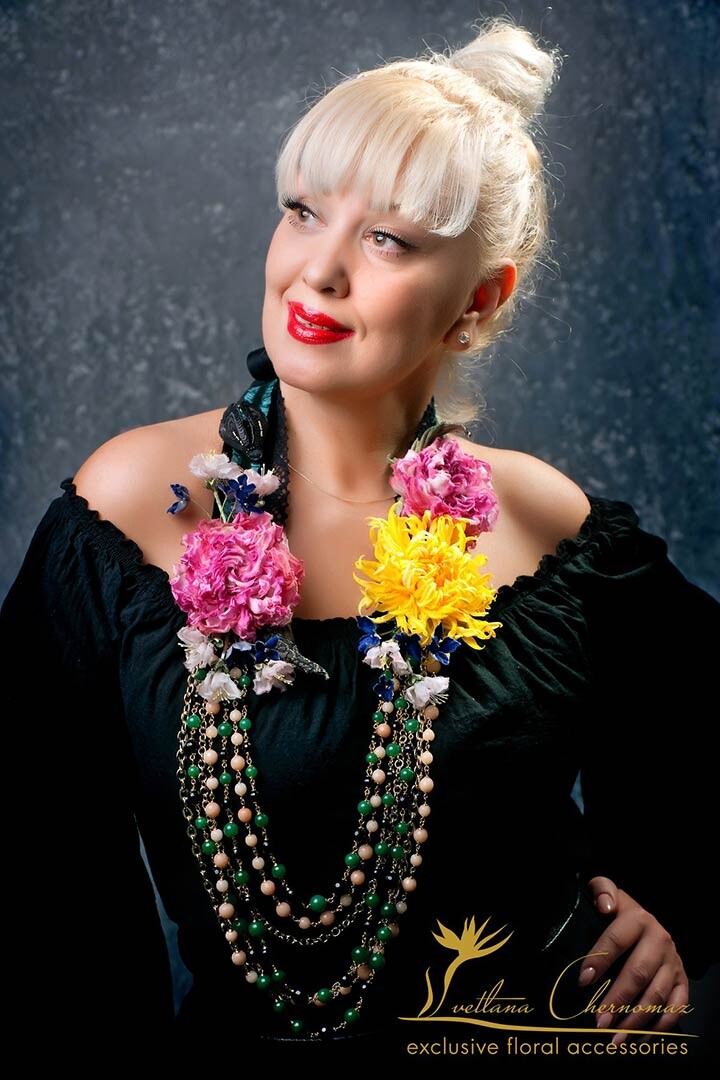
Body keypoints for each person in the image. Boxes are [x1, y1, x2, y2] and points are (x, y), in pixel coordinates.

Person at [2, 14, 717, 1066]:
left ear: (478, 300)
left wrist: (664, 910)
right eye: (303, 211)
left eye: (389, 239)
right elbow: (38, 867)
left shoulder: (544, 523)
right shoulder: (130, 508)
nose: (319, 271)